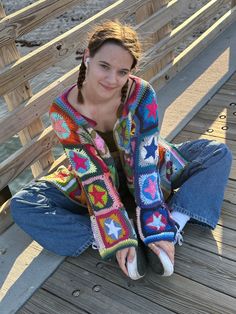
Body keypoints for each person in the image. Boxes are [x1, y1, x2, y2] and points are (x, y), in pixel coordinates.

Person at [10, 20, 232, 280]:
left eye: (122, 71)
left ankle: (174, 222)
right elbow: (90, 174)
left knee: (217, 153)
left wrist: (158, 225)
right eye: (104, 66)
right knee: (23, 204)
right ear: (87, 58)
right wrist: (114, 234)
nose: (111, 80)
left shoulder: (142, 94)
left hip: (150, 170)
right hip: (92, 182)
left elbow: (146, 161)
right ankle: (109, 239)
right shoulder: (63, 110)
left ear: (132, 71)